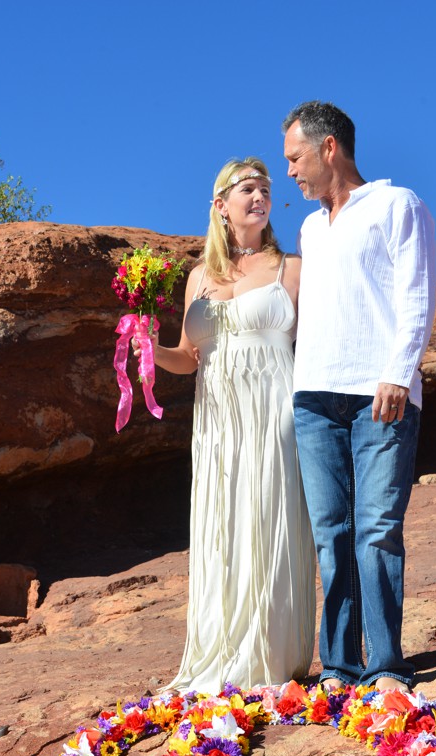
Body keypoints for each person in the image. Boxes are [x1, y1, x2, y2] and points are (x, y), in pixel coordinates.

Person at [282, 101, 436, 695]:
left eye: (295, 157)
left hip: (380, 393)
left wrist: (400, 371)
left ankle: (387, 665)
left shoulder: (398, 205)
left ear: (328, 148)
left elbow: (416, 293)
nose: (291, 171)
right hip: (314, 398)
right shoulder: (310, 228)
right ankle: (341, 668)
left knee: (376, 529)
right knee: (332, 533)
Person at [147, 157, 315, 693]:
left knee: (269, 519)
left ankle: (268, 653)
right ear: (221, 206)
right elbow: (185, 356)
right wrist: (148, 349)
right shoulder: (200, 277)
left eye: (265, 188)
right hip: (217, 418)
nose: (260, 196)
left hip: (274, 411)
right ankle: (220, 649)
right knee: (224, 525)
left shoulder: (292, 268)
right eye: (247, 189)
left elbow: (314, 347)